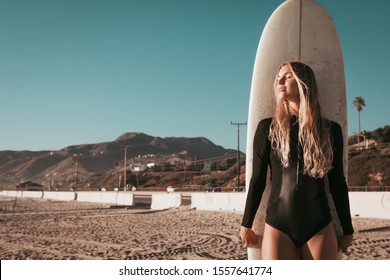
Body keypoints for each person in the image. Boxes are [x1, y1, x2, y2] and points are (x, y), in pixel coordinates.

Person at [240, 61, 354, 260]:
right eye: (278, 78)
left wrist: (348, 229)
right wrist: (246, 223)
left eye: (288, 76)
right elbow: (257, 179)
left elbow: (337, 183)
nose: (280, 81)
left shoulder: (329, 130)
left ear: (304, 82)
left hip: (319, 226)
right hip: (278, 226)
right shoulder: (268, 128)